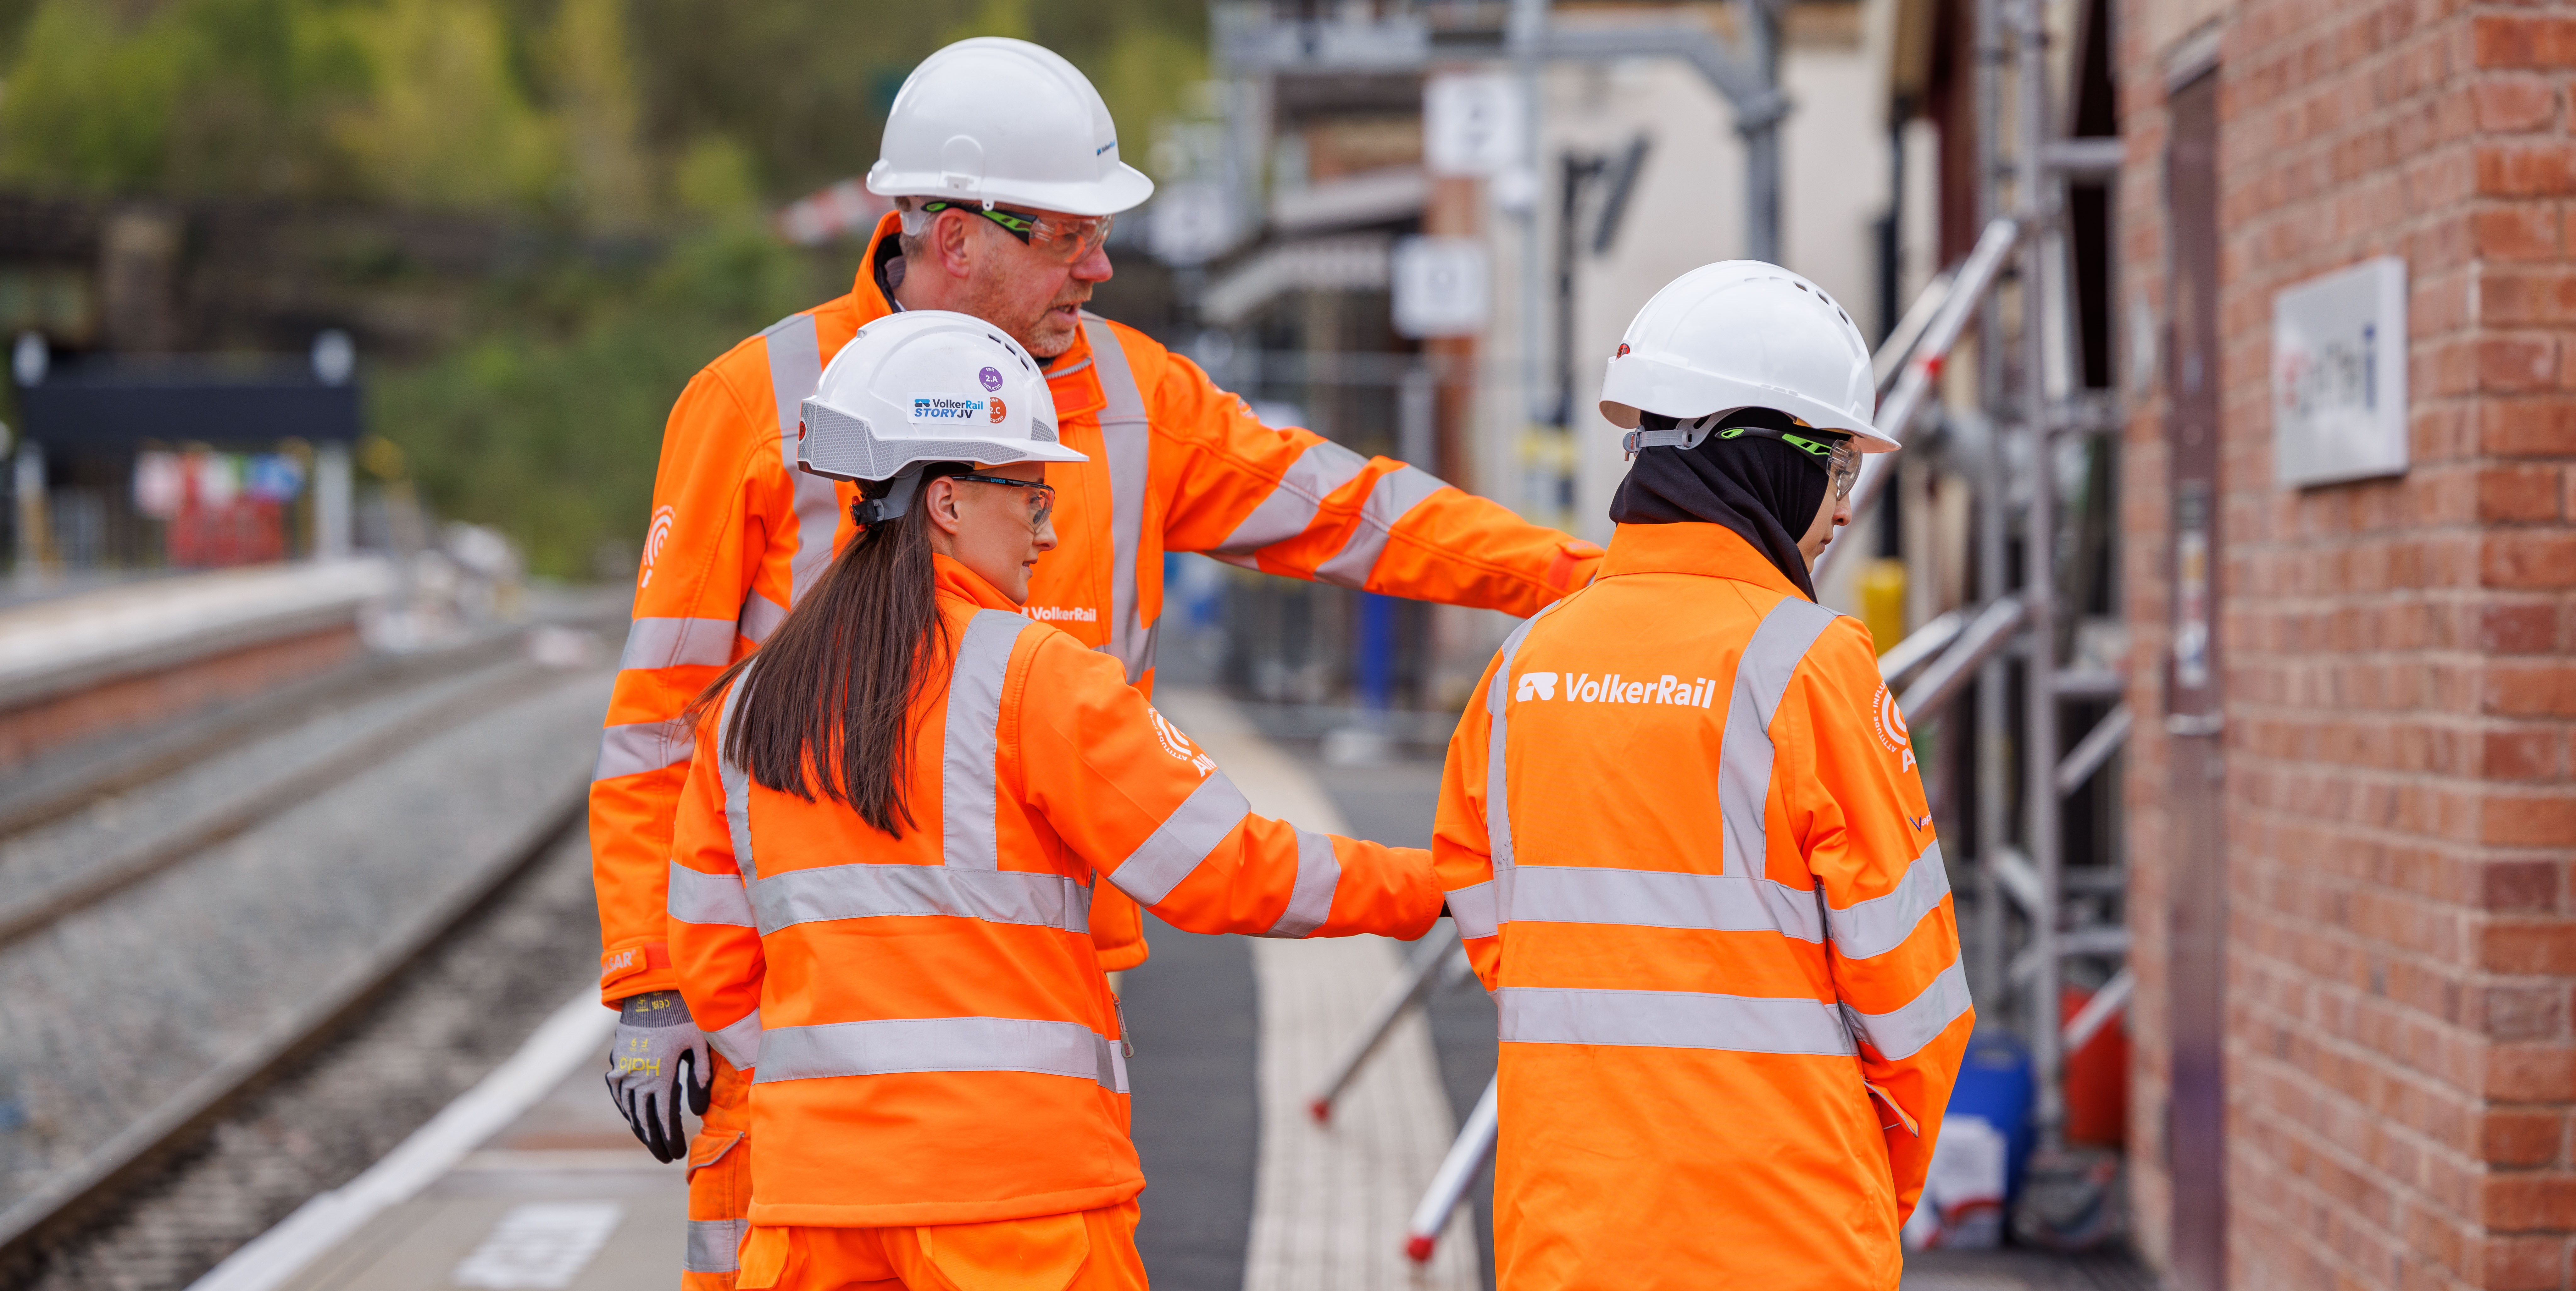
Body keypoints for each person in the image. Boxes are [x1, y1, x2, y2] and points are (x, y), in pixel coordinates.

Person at [593, 37, 1605, 1284]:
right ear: (955, 236)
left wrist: (1585, 580)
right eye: (1069, 237)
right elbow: (656, 724)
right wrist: (653, 989)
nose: (1101, 266)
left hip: (995, 1011)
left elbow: (1354, 511)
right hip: (821, 1052)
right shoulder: (753, 406)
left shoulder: (1135, 396)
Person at [666, 312, 1442, 1290]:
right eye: (1030, 495)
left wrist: (841, 1100)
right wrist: (1440, 884)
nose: (1048, 527)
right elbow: (1229, 870)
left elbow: (713, 962)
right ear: (946, 501)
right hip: (1018, 1211)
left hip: (814, 1210)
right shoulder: (1038, 676)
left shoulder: (748, 704)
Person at [1431, 262, 1973, 1290]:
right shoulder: (1810, 666)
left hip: (1566, 1232)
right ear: (1767, 460)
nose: (1844, 509)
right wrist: (1867, 1193)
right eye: (1838, 468)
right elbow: (1917, 1005)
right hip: (1781, 1237)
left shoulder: (1523, 666)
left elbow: (1489, 917)